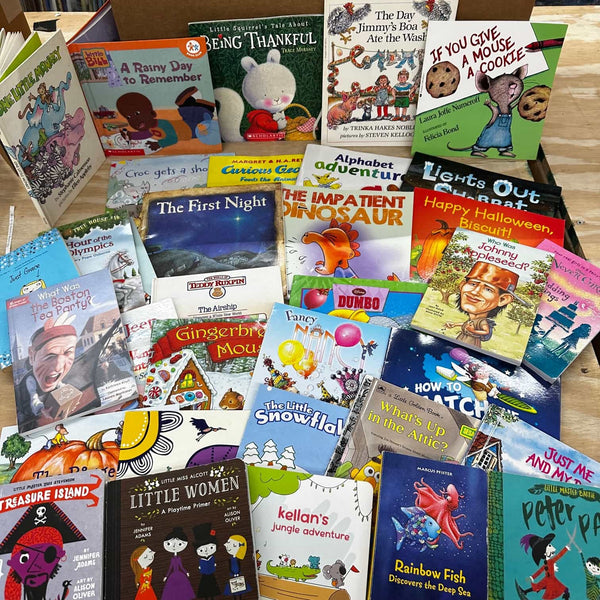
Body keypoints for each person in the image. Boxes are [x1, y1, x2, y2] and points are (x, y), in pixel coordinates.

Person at [444, 261, 529, 347]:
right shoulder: (473, 320)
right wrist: (454, 324)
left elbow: (485, 331)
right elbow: (468, 324)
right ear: (462, 286)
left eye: (488, 289)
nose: (474, 292)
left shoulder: (482, 322)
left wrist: (472, 331)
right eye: (473, 284)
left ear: (503, 300)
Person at [16, 315, 78, 431]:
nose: (58, 367)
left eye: (68, 353)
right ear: (32, 356)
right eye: (50, 356)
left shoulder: (54, 377)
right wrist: (41, 409)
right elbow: (33, 398)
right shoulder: (30, 381)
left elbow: (60, 385)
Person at [161, 527, 195, 600]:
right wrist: (166, 576)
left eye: (179, 544)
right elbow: (170, 568)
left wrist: (186, 572)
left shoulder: (179, 558)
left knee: (181, 588)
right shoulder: (172, 559)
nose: (174, 546)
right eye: (169, 543)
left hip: (179, 574)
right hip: (173, 575)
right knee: (173, 589)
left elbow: (181, 567)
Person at [193, 523, 220, 600]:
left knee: (212, 588)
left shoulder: (212, 558)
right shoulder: (202, 560)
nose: (206, 551)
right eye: (201, 550)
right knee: (205, 588)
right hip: (205, 576)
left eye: (211, 547)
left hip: (211, 575)